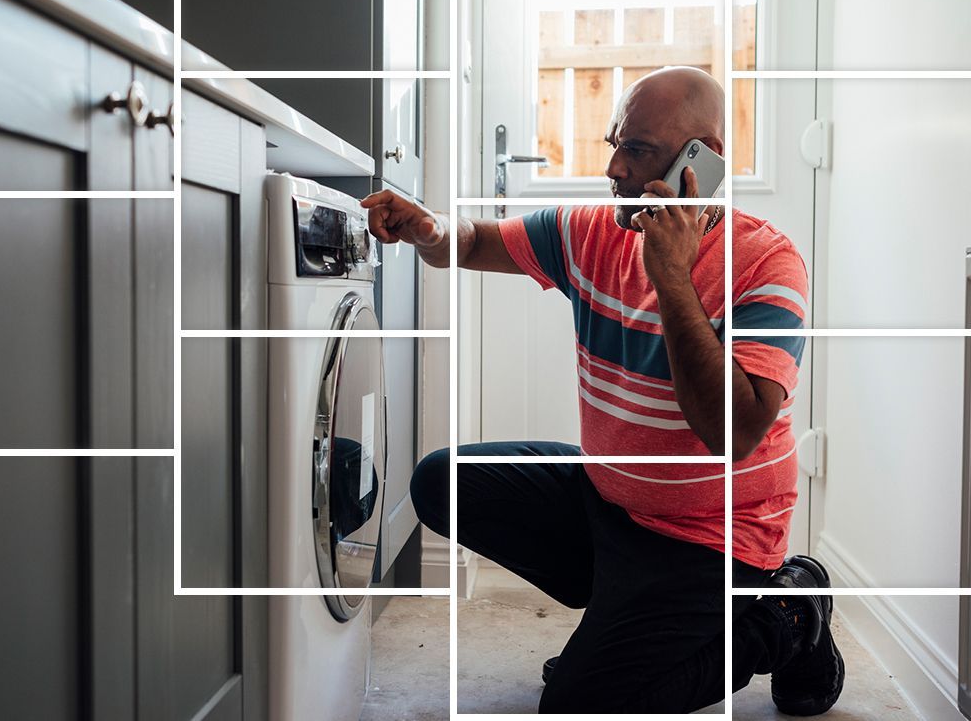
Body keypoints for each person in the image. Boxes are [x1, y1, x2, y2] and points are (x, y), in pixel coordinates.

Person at [361, 66, 843, 714]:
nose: (613, 167)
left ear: (701, 159)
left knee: (577, 705)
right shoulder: (593, 231)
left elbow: (731, 433)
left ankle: (785, 615)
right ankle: (624, 617)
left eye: (636, 150)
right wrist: (432, 230)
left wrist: (671, 278)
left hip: (714, 538)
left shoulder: (765, 262)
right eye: (615, 144)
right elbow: (472, 242)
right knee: (441, 481)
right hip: (612, 503)